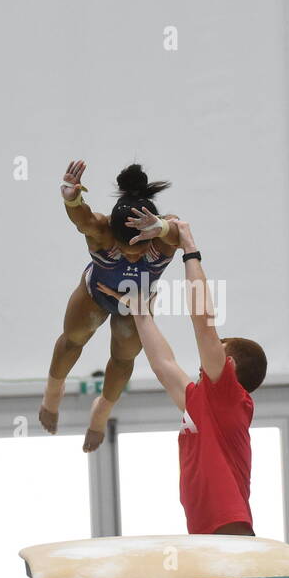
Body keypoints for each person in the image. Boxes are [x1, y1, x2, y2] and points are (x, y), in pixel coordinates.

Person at [97, 217, 269, 578]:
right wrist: (138, 310)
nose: (201, 364)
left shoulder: (227, 397)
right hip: (206, 543)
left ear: (228, 369)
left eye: (214, 359)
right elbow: (163, 359)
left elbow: (201, 325)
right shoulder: (199, 401)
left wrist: (190, 249)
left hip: (229, 540)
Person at [38, 159, 185, 452]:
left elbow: (180, 231)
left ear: (152, 234)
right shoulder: (103, 231)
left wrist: (162, 227)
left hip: (135, 305)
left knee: (123, 356)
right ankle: (53, 392)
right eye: (127, 251)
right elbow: (83, 220)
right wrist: (71, 197)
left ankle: (102, 410)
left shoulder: (165, 235)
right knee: (73, 340)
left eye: (139, 250)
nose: (132, 257)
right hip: (95, 295)